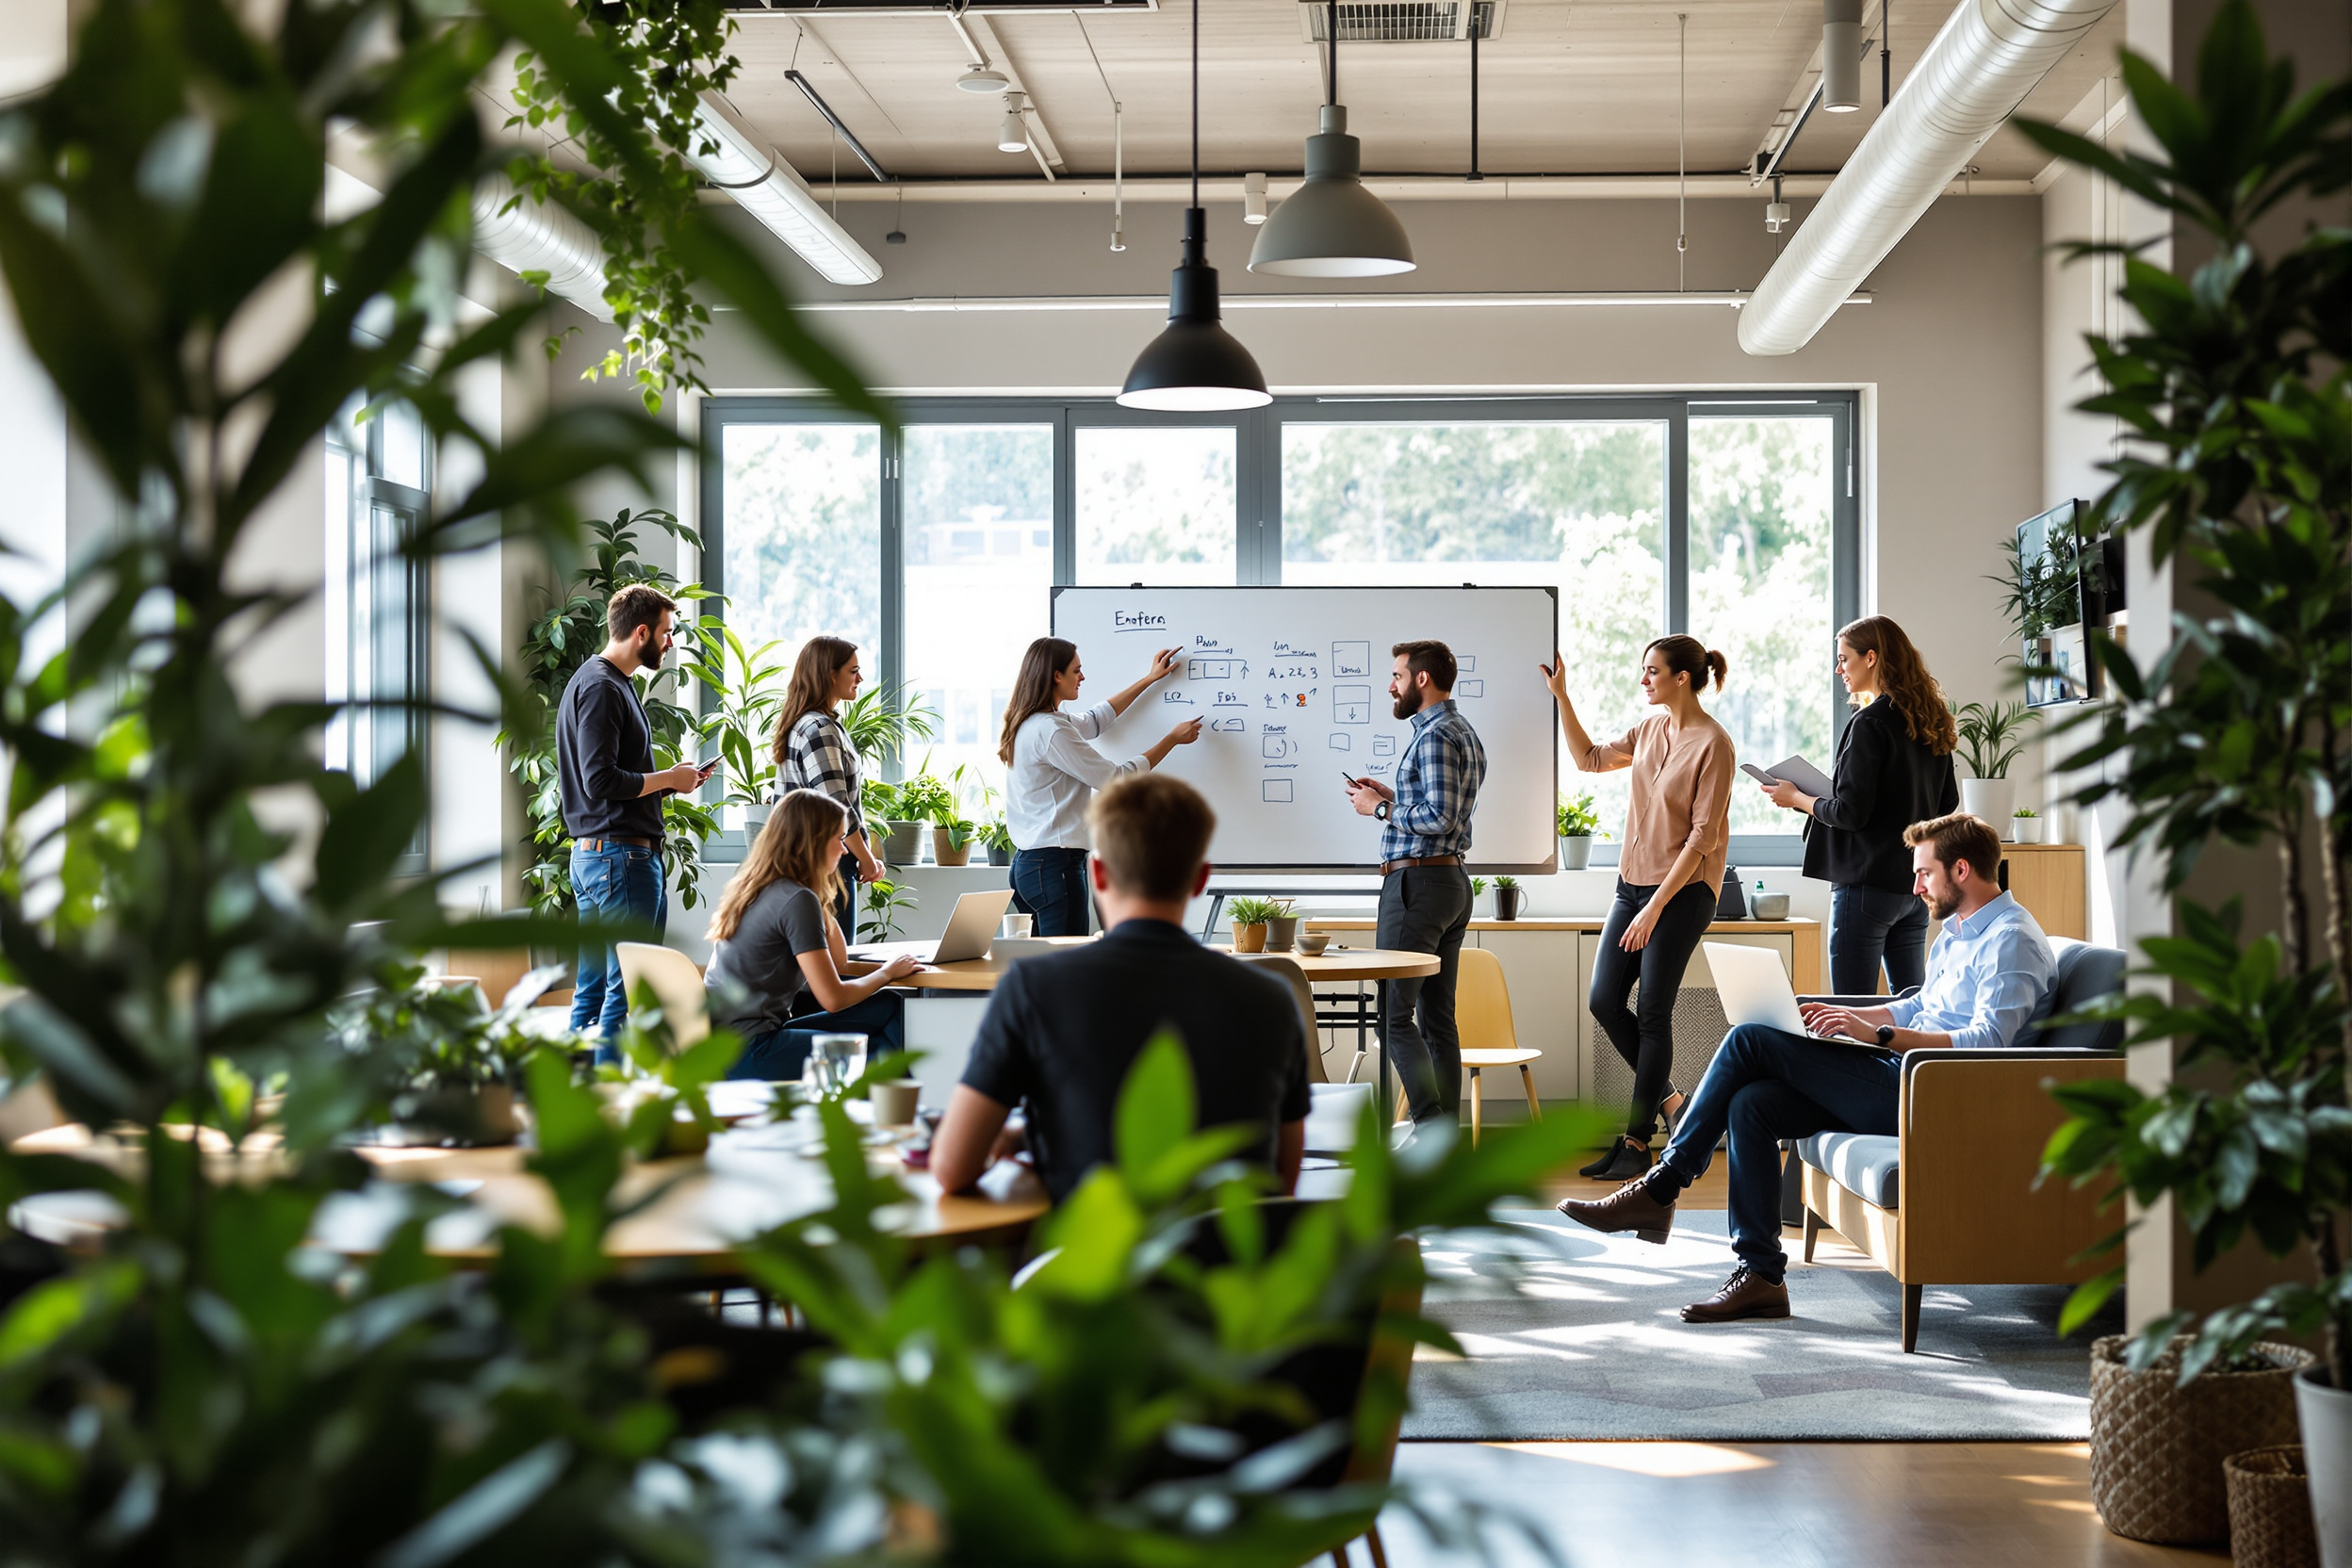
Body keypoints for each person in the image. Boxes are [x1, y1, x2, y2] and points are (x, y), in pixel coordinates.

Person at [1558, 811, 2058, 1325]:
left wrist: (1878, 1036)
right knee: (1753, 1106)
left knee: (1749, 1041)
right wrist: (1848, 1018)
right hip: (1900, 1073)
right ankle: (1761, 1277)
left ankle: (1663, 1185)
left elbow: (1986, 1044)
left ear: (1960, 870)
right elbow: (1918, 1006)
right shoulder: (1958, 930)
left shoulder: (2011, 940)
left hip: (1934, 1093)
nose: (1915, 886)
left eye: (1923, 873)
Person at [931, 773, 1309, 1201]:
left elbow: (951, 1168)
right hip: (1234, 1264)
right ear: (1200, 879)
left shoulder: (1034, 988)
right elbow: (1284, 1178)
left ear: (1099, 873)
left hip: (1092, 1265)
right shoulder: (1272, 999)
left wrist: (1032, 1137)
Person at [1544, 635, 1737, 1181]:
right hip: (1632, 886)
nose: (1644, 680)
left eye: (1652, 671)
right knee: (1604, 999)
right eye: (1642, 670)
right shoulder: (1650, 731)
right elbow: (1587, 760)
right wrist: (1563, 696)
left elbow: (1702, 837)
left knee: (1652, 1011)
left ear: (1682, 677)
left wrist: (1655, 907)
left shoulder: (1713, 744)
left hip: (1683, 892)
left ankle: (1636, 1142)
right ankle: (1675, 1104)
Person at [1760, 616, 1959, 995]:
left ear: (1871, 658)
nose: (1839, 670)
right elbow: (1947, 803)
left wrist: (1797, 798)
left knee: (1853, 1009)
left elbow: (1850, 813)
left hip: (1865, 887)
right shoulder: (1929, 721)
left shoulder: (1868, 722)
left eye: (1843, 659)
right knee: (1910, 1008)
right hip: (1913, 889)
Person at [559, 583, 714, 1051]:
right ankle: (608, 1103)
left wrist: (673, 780)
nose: (670, 642)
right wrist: (668, 778)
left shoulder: (602, 682)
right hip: (620, 860)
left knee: (592, 992)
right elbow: (600, 782)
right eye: (666, 633)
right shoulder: (604, 687)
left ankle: (575, 1095)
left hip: (598, 858)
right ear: (642, 632)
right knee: (625, 991)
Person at [1344, 641, 1486, 1127]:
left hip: (1417, 888)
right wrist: (1391, 794)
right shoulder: (1460, 731)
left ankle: (1428, 1129)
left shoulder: (1434, 736)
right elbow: (1436, 807)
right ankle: (1443, 1141)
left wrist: (1379, 810)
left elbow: (1440, 816)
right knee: (1436, 1019)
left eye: (1397, 676)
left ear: (1421, 679)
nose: (1391, 685)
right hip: (1448, 884)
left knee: (1392, 1015)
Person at [703, 790, 925, 1082]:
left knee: (891, 1006)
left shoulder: (758, 884)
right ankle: (903, 1107)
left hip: (731, 1045)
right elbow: (832, 998)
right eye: (839, 839)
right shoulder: (795, 899)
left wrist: (819, 895)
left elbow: (840, 961)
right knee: (883, 1052)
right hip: (751, 1050)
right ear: (814, 842)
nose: (845, 850)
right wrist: (886, 973)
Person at [997, 637, 1201, 937]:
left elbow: (1094, 721)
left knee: (1046, 968)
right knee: (1066, 968)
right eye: (1076, 670)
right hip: (1055, 864)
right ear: (1056, 676)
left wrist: (1149, 679)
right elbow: (1115, 780)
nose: (1082, 677)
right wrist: (1171, 739)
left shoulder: (1034, 722)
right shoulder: (1052, 730)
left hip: (1028, 865)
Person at [771, 635, 884, 942]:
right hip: (825, 865)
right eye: (853, 671)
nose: (860, 678)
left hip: (814, 862)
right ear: (830, 675)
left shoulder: (814, 724)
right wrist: (866, 857)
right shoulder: (819, 728)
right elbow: (837, 806)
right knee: (836, 968)